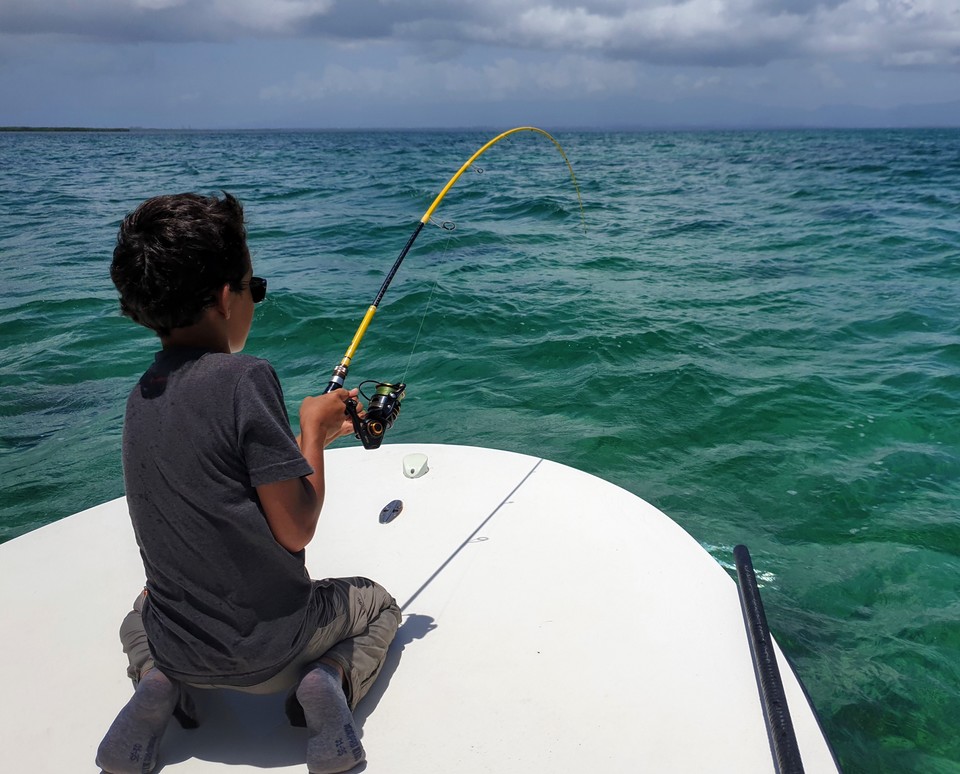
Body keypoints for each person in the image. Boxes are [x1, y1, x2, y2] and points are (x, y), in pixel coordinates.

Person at [96, 192, 401, 774]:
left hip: (181, 647)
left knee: (138, 612)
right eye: (253, 288)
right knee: (378, 602)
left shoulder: (141, 396)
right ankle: (327, 679)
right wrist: (312, 433)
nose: (255, 301)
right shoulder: (248, 377)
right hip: (276, 649)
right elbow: (295, 529)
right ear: (224, 298)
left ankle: (155, 680)